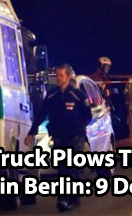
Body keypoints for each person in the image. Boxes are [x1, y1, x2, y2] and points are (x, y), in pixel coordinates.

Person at [24, 64, 92, 212]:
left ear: (68, 77)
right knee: (62, 168)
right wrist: (31, 132)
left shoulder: (77, 95)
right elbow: (42, 115)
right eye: (57, 75)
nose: (58, 78)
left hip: (75, 137)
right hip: (59, 136)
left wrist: (79, 128)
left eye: (61, 75)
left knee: (73, 169)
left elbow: (87, 115)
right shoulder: (52, 96)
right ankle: (62, 199)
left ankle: (73, 197)